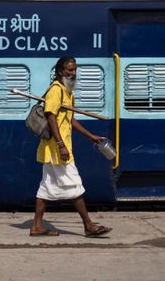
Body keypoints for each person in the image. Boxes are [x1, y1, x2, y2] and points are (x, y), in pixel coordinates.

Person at [30, 55, 112, 237]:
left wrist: (90, 136)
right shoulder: (55, 90)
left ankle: (36, 226)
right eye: (69, 70)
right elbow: (51, 117)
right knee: (75, 185)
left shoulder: (68, 92)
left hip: (58, 148)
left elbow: (70, 119)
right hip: (56, 149)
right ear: (60, 71)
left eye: (75, 69)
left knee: (47, 187)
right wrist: (61, 145)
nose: (73, 73)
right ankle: (89, 226)